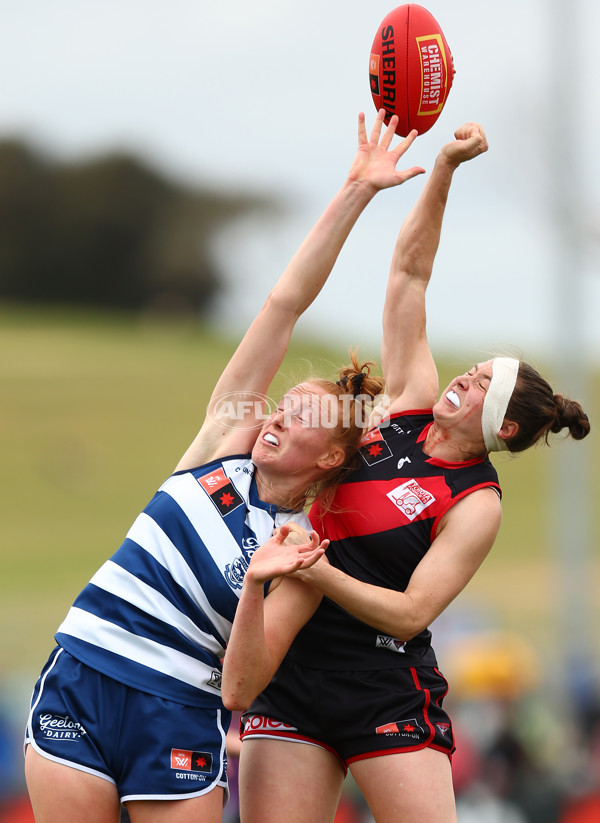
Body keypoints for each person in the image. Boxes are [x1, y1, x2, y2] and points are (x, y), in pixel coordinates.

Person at [22, 111, 426, 823]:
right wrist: (357, 190)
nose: (274, 416)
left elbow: (241, 687)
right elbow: (284, 303)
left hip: (178, 712)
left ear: (332, 456)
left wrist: (259, 584)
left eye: (299, 417)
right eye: (280, 405)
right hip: (83, 673)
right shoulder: (223, 444)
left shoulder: (305, 551)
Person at [221, 121, 591, 823]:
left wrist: (316, 571)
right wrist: (445, 166)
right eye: (474, 368)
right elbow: (409, 273)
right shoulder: (408, 402)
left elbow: (415, 610)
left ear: (503, 428)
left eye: (483, 384)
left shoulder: (475, 502)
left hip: (383, 684)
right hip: (295, 671)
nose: (465, 378)